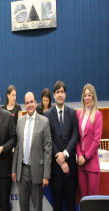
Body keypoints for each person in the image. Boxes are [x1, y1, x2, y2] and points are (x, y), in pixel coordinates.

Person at [12, 92, 52, 211]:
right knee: (23, 207)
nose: (29, 105)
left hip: (37, 173)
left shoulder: (44, 122)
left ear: (35, 102)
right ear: (24, 104)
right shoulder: (20, 122)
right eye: (27, 103)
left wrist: (46, 175)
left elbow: (48, 150)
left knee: (37, 208)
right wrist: (14, 169)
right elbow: (17, 147)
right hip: (22, 171)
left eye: (31, 102)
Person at [44, 81, 79, 211]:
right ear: (53, 95)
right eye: (58, 92)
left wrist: (65, 154)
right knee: (57, 205)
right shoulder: (47, 115)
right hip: (56, 171)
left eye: (62, 92)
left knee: (71, 205)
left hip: (70, 169)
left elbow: (75, 135)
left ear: (65, 95)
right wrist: (59, 159)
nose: (60, 94)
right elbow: (49, 139)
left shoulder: (72, 112)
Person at [76, 84, 102, 197]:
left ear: (93, 97)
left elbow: (96, 141)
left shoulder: (97, 115)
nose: (87, 98)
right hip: (81, 164)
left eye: (89, 95)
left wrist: (86, 157)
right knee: (84, 198)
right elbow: (76, 137)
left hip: (91, 164)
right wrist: (79, 155)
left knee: (92, 200)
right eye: (85, 95)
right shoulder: (78, 114)